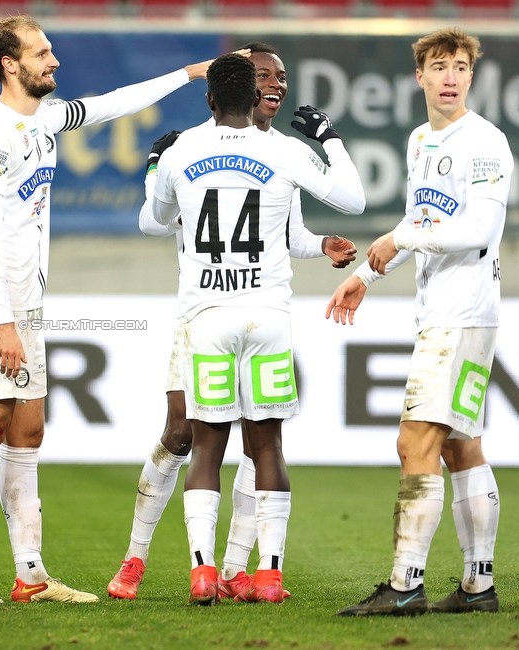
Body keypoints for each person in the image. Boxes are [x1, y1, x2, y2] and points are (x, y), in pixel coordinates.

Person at [0, 15, 245, 605]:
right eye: (41, 53)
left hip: (26, 303)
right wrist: (2, 320)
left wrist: (188, 73)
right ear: (10, 64)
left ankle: (30, 576)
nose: (53, 61)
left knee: (27, 431)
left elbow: (111, 105)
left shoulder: (44, 119)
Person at [107, 43, 357, 602]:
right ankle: (137, 555)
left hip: (213, 314)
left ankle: (232, 567)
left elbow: (286, 235)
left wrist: (321, 245)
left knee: (236, 438)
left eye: (282, 77)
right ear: (248, 89)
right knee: (186, 431)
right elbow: (351, 196)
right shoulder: (278, 153)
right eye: (265, 77)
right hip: (223, 313)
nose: (276, 86)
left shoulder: (218, 151)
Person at [328, 27, 509, 617]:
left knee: (415, 443)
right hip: (447, 311)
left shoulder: (485, 143)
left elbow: (475, 229)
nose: (450, 76)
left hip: (462, 313)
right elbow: (423, 221)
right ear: (421, 77)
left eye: (460, 66)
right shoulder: (420, 141)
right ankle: (479, 587)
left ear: (471, 78)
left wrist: (400, 234)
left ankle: (405, 584)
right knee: (461, 447)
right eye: (440, 66)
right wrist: (368, 276)